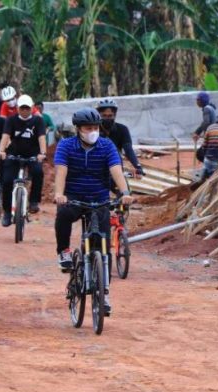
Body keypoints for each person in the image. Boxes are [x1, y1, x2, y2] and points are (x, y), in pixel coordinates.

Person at [54, 107, 134, 315]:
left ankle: (104, 293)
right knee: (63, 214)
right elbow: (61, 172)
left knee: (104, 247)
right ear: (78, 129)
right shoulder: (66, 146)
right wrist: (59, 194)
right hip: (74, 198)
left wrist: (125, 191)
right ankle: (63, 252)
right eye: (88, 128)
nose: (93, 131)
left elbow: (116, 170)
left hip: (99, 200)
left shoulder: (107, 146)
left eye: (95, 127)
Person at [0, 94, 47, 227]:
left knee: (38, 172)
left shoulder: (38, 121)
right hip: (14, 153)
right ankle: (7, 212)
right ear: (18, 108)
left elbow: (42, 137)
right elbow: (5, 136)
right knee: (7, 181)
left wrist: (42, 153)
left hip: (33, 154)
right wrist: (1, 151)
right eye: (22, 108)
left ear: (32, 108)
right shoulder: (11, 120)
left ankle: (34, 202)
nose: (24, 111)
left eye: (27, 108)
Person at [96, 98, 144, 178]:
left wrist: (137, 166)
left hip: (115, 165)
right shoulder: (94, 130)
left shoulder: (122, 129)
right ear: (99, 115)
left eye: (110, 116)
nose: (107, 118)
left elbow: (128, 149)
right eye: (104, 116)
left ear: (115, 115)